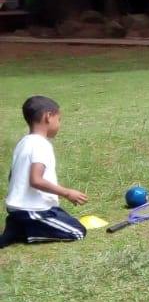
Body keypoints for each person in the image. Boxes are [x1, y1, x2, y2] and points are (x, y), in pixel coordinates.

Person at [2, 96, 88, 247]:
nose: (59, 124)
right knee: (78, 231)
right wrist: (67, 193)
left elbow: (12, 175)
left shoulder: (24, 142)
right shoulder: (41, 145)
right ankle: (24, 232)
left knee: (64, 217)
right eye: (59, 119)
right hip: (33, 211)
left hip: (19, 209)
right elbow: (36, 179)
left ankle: (17, 226)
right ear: (48, 117)